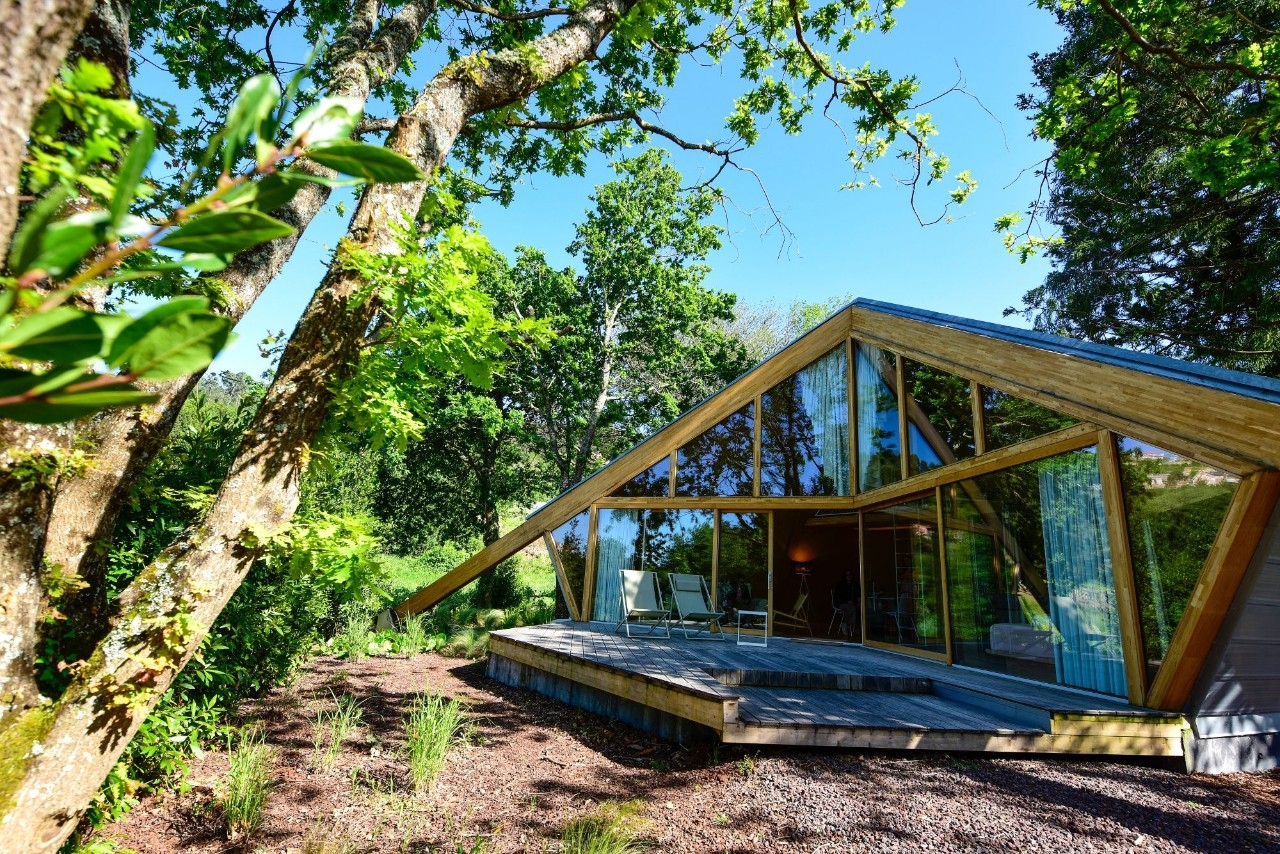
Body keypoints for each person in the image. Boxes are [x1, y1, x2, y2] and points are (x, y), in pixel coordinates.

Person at [833, 570, 860, 638]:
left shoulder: (854, 585)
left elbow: (857, 595)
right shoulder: (840, 585)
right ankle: (846, 624)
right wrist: (847, 601)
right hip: (841, 604)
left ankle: (858, 627)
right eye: (847, 576)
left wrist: (858, 600)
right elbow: (837, 598)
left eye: (850, 575)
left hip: (852, 604)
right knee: (852, 608)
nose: (849, 577)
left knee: (859, 608)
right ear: (845, 577)